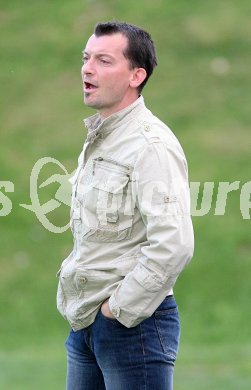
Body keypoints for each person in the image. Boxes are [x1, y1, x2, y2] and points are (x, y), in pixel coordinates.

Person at [57, 21, 194, 390]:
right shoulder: (101, 138)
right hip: (85, 325)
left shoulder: (151, 145)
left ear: (136, 75)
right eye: (86, 58)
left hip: (134, 328)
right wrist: (96, 315)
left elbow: (174, 244)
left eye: (103, 60)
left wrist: (117, 310)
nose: (87, 69)